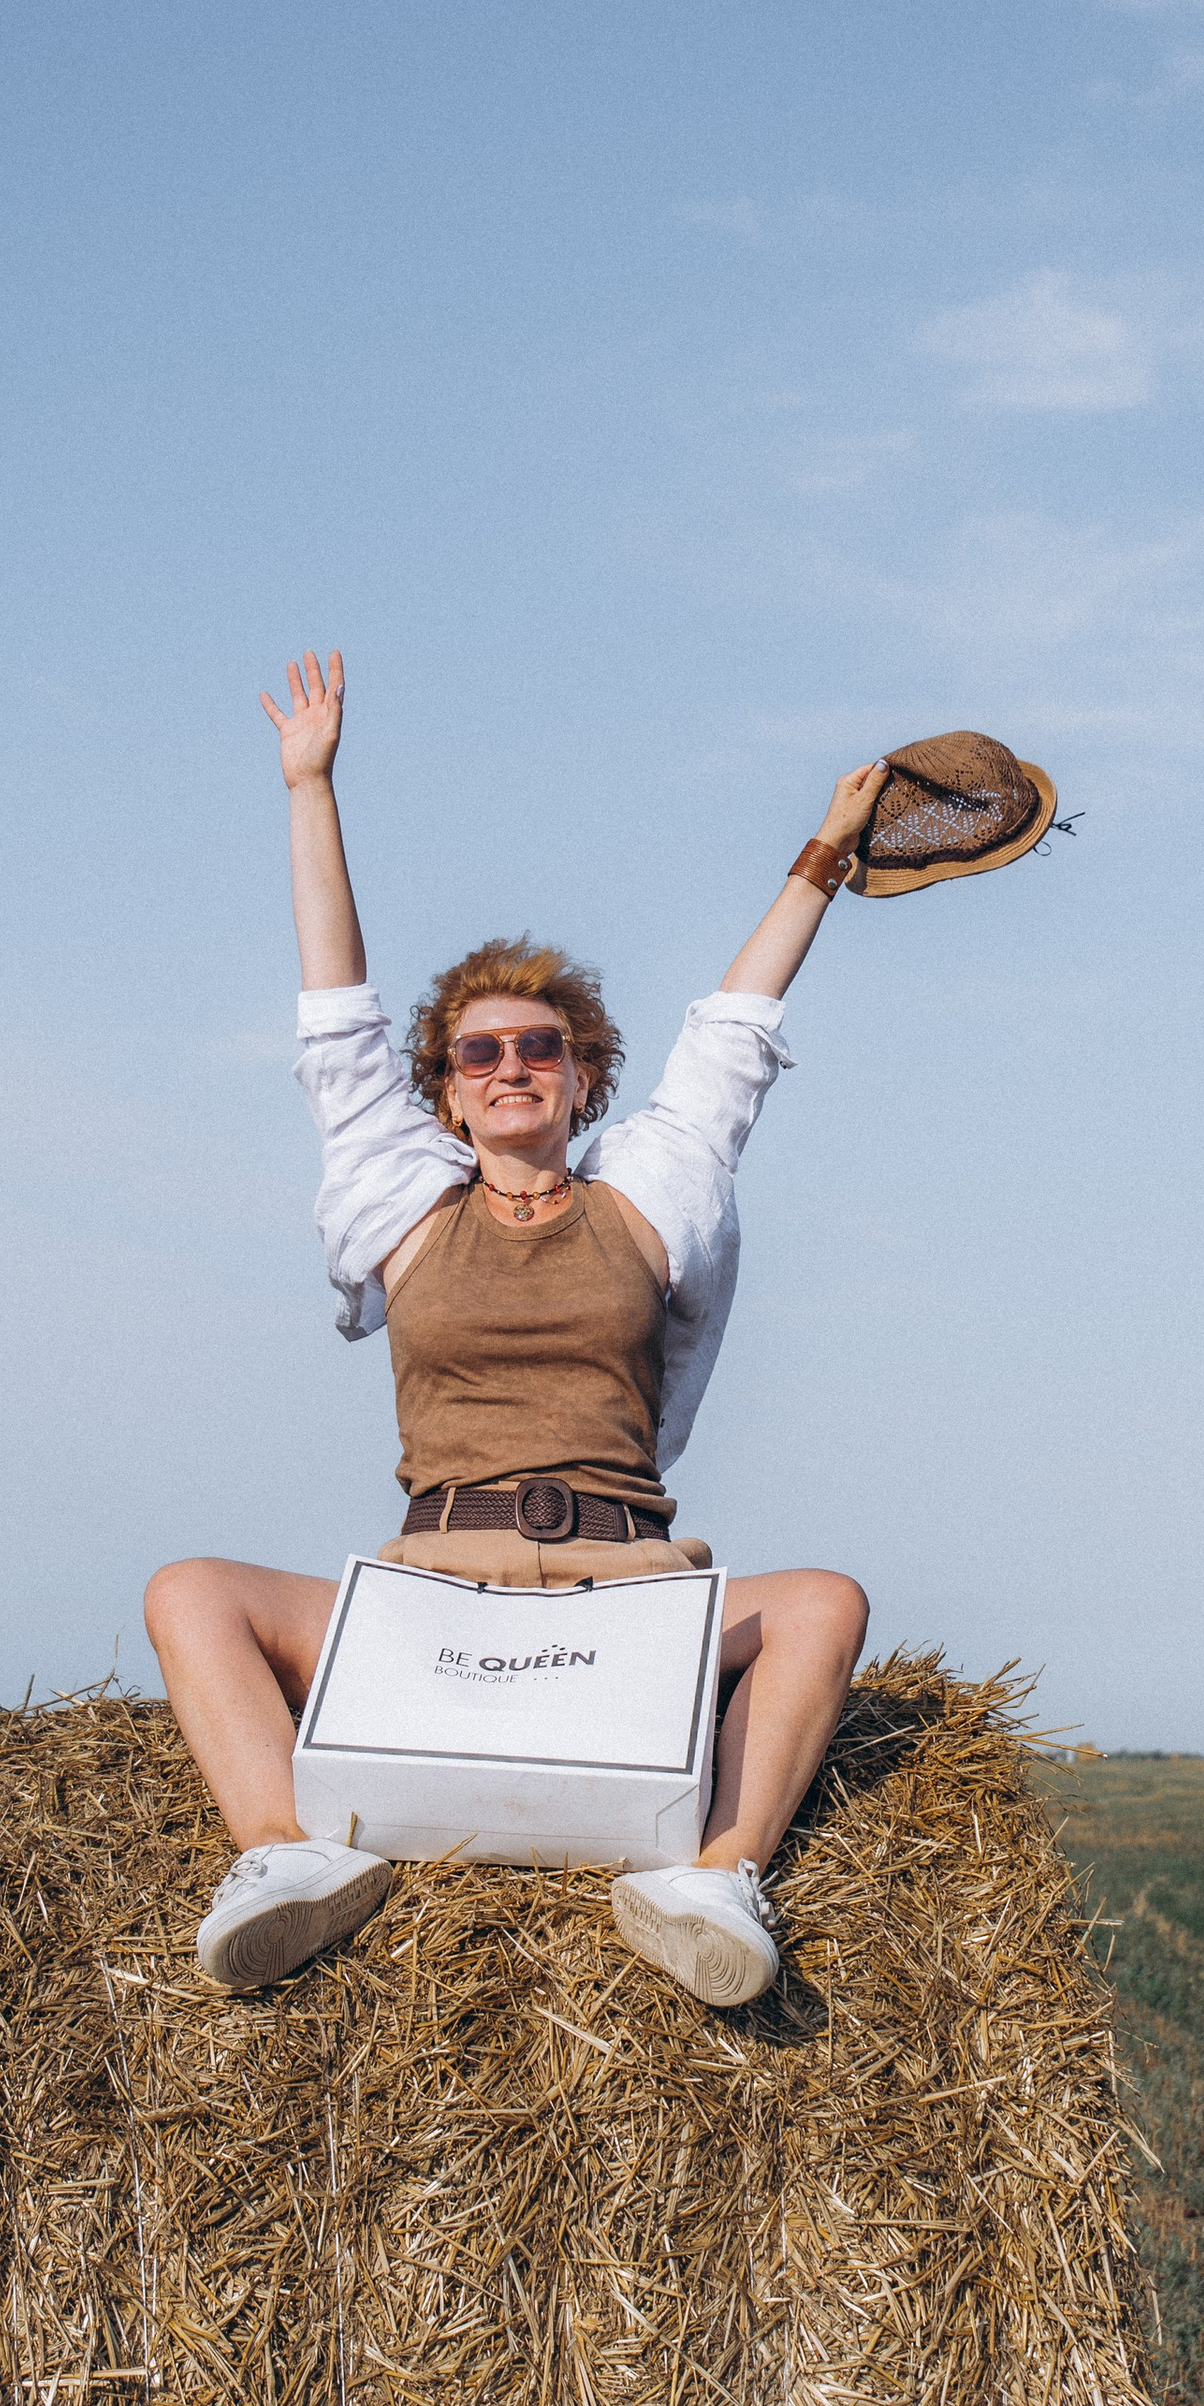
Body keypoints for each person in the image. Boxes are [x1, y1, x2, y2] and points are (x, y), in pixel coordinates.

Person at [144, 649, 887, 2009]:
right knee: (189, 1589)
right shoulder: (407, 1211)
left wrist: (821, 859)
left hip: (625, 1588)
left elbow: (734, 1040)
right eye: (476, 1054)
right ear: (444, 1093)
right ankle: (282, 1859)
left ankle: (716, 1875)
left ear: (586, 1074)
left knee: (824, 1604)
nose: (507, 1069)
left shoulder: (649, 1202)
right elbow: (335, 1024)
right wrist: (311, 787)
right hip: (431, 1591)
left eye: (538, 1047)